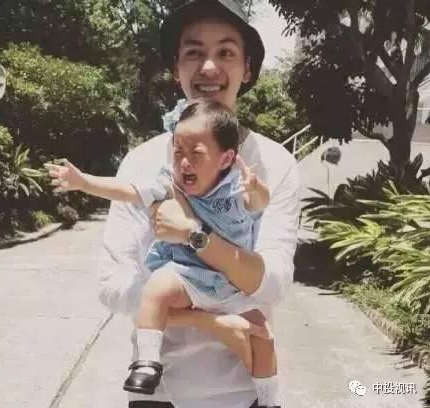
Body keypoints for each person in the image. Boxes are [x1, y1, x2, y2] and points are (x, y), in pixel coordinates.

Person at [98, 1, 300, 407]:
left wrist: (194, 233)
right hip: (158, 393)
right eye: (194, 52)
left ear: (247, 69)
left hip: (242, 392)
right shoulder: (142, 161)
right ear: (176, 68)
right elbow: (112, 284)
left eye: (226, 52)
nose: (209, 67)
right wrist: (210, 322)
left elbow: (272, 283)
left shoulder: (274, 164)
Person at [46, 99, 279, 405]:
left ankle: (269, 400)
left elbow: (260, 204)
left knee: (263, 337)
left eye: (196, 153)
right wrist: (83, 182)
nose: (184, 162)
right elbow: (127, 190)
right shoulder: (168, 185)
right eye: (178, 151)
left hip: (229, 285)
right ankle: (147, 362)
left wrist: (256, 188)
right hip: (186, 276)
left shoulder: (237, 188)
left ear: (226, 159)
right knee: (156, 288)